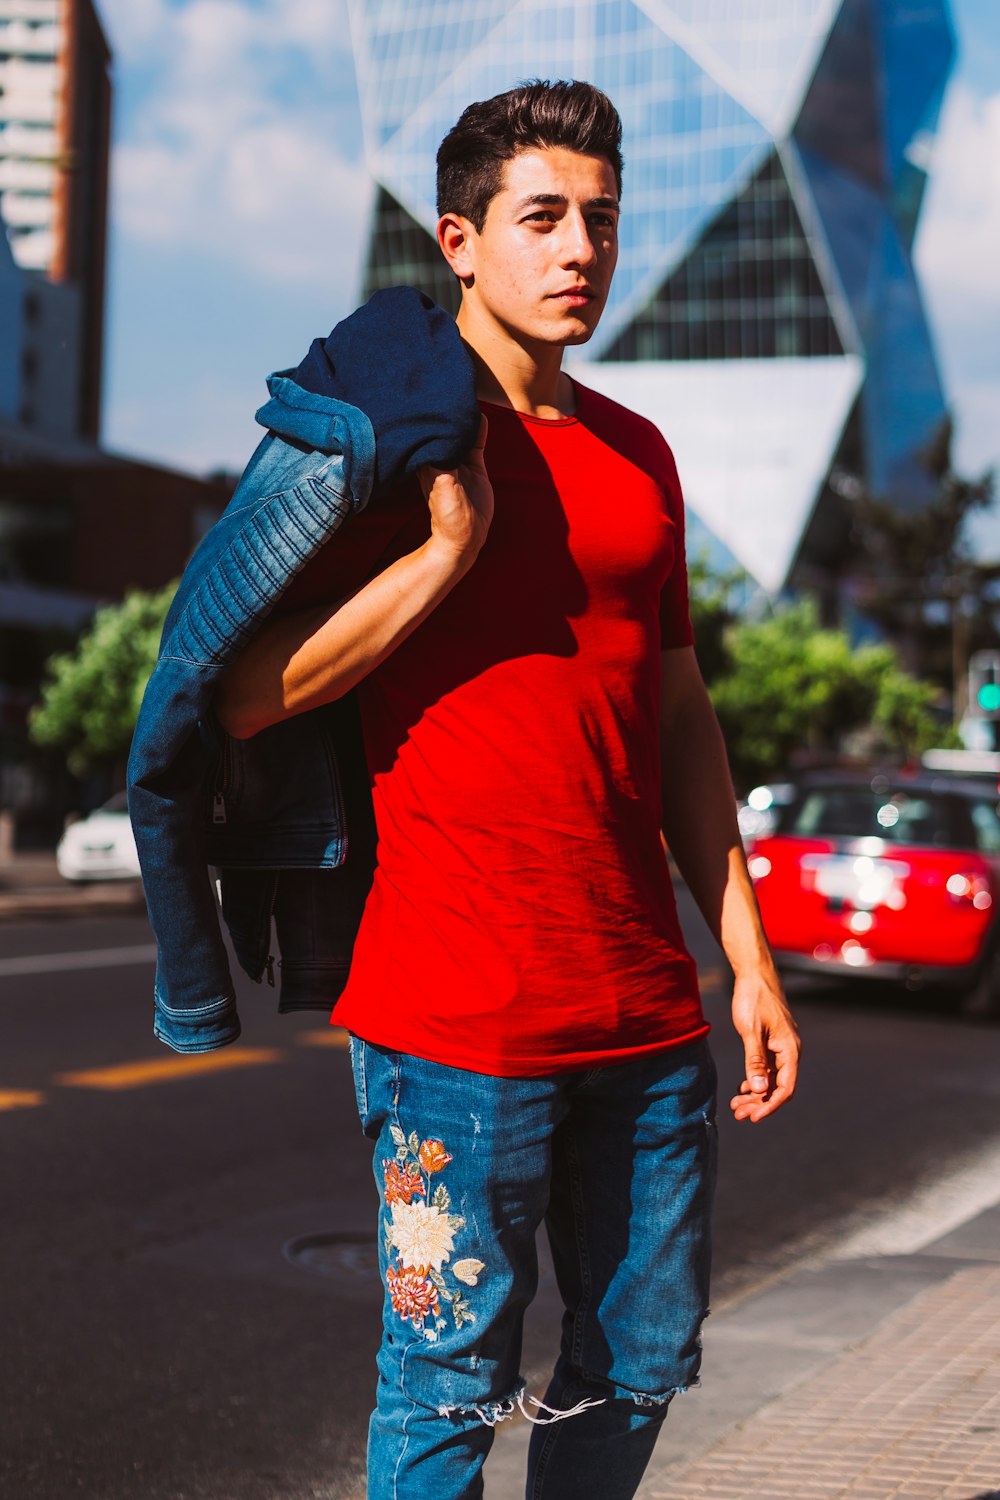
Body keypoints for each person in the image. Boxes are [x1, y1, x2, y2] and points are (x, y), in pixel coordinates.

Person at [216, 79, 800, 1500]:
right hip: (451, 1020)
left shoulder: (638, 456)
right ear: (459, 241)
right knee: (447, 1379)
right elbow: (242, 692)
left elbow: (678, 719)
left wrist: (749, 955)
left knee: (645, 1354)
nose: (580, 250)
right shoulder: (374, 449)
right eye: (542, 218)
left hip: (645, 1014)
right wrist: (437, 556)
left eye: (599, 220)